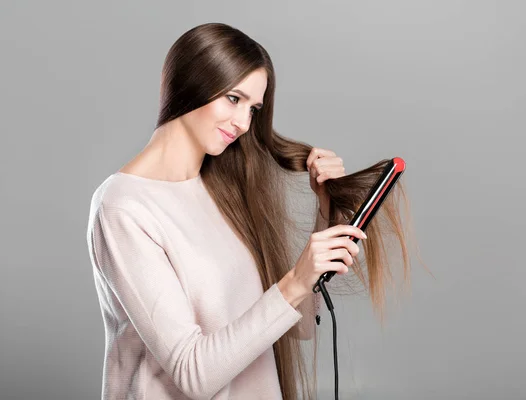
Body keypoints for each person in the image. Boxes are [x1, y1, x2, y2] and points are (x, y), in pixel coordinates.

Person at [86, 22, 418, 400]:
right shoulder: (122, 207)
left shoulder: (221, 190)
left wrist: (323, 214)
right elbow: (193, 375)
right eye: (233, 99)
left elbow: (298, 326)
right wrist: (295, 279)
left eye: (253, 108)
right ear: (190, 82)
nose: (244, 124)